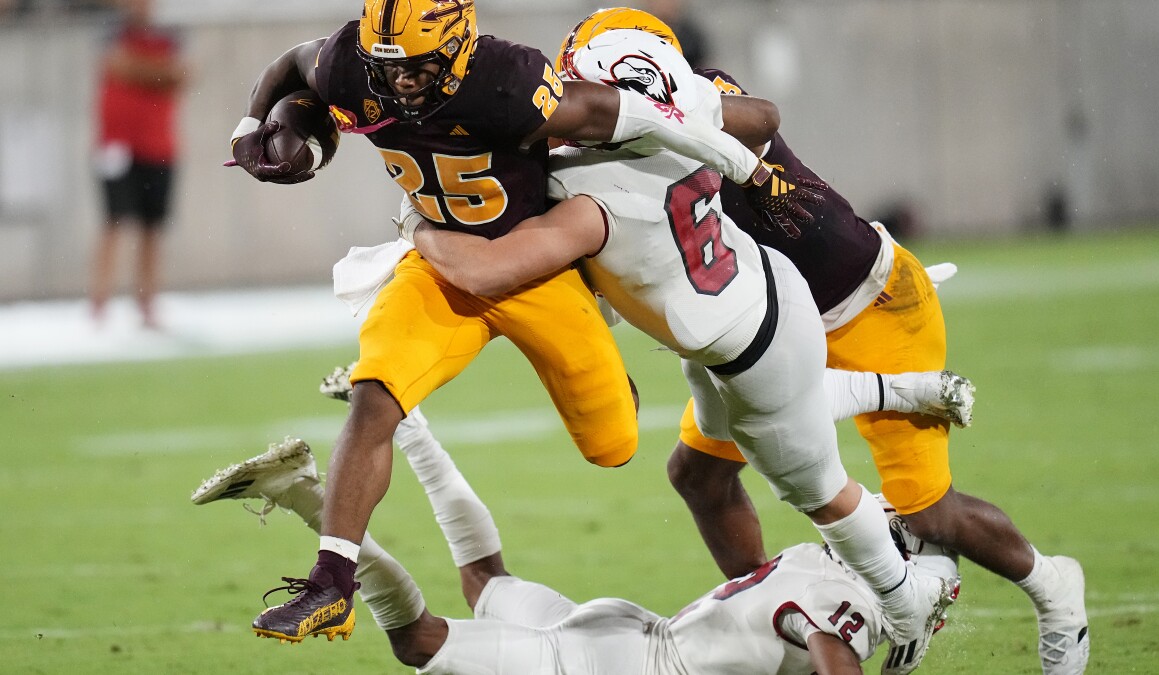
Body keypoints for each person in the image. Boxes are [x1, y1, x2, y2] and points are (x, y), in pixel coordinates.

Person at [227, 0, 830, 647]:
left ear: (457, 48)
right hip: (438, 270)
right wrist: (247, 127)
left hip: (531, 269)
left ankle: (605, 356)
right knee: (376, 395)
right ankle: (331, 581)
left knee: (613, 443)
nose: (399, 81)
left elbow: (613, 113)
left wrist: (747, 161)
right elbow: (292, 64)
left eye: (418, 66)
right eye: (387, 65)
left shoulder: (508, 81)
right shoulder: (354, 63)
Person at [397, 24, 957, 674]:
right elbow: (760, 116)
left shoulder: (592, 200)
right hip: (755, 300)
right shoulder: (678, 112)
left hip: (753, 346)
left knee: (822, 489)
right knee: (698, 472)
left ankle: (908, 596)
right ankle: (822, 582)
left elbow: (488, 271)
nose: (565, 98)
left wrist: (416, 219)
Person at [555, 10, 1088, 674]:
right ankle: (783, 606)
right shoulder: (613, 137)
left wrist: (665, 109)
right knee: (699, 475)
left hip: (868, 305)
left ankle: (1052, 585)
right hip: (772, 325)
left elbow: (755, 117)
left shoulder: (698, 98)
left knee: (928, 512)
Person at [192, 391, 962, 674]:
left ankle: (414, 426)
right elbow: (833, 650)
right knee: (418, 641)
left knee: (484, 581)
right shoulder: (847, 599)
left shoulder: (813, 560)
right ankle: (297, 492)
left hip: (631, 627)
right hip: (624, 660)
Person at [89, 0, 186, 329]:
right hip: (118, 145)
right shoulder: (112, 30)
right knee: (113, 222)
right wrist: (156, 72)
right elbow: (120, 66)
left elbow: (180, 74)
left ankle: (146, 303)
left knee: (151, 227)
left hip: (158, 146)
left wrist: (142, 70)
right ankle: (99, 302)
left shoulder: (170, 31)